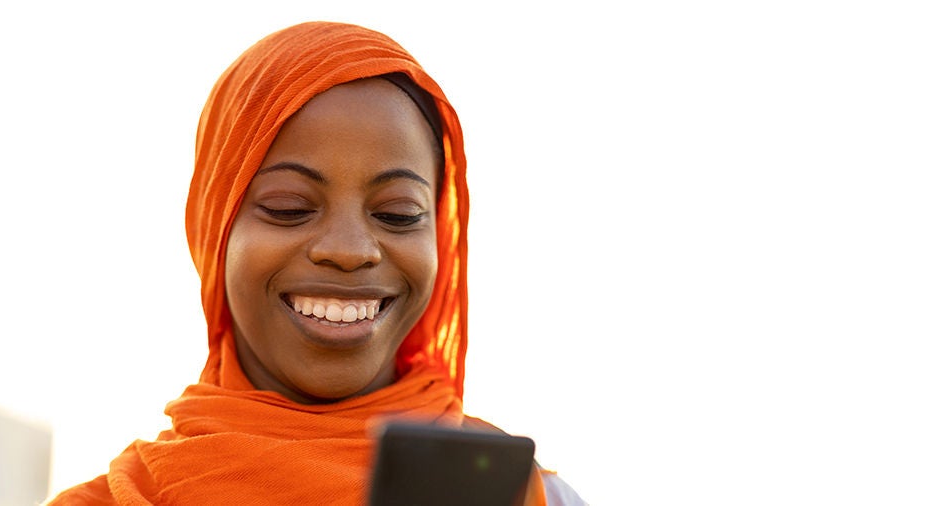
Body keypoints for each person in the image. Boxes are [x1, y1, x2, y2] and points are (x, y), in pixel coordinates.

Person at [49, 21, 585, 505]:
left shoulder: (532, 497)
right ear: (213, 230)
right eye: (290, 208)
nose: (351, 250)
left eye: (398, 214)